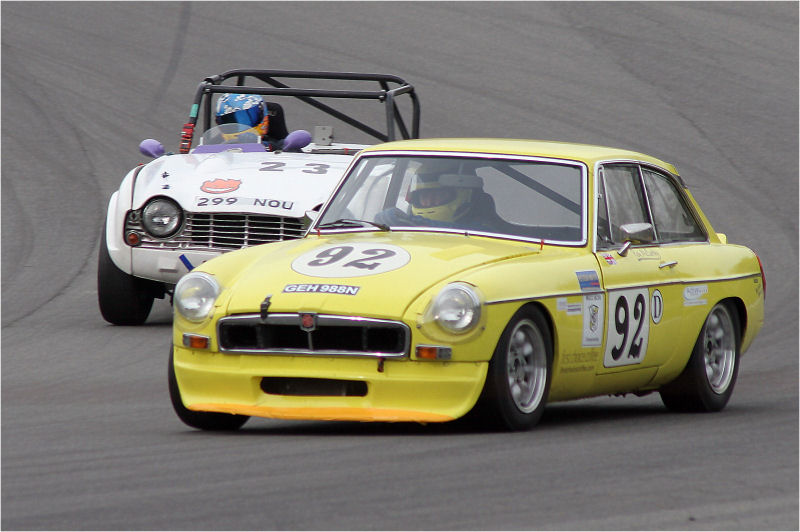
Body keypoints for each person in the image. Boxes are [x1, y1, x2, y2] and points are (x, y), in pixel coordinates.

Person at [376, 172, 499, 231]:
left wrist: (416, 223)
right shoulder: (405, 226)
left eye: (437, 195)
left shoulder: (485, 229)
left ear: (463, 195)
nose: (429, 202)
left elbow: (477, 232)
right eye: (424, 196)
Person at [214, 93, 289, 150]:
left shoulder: (278, 145)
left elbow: (291, 149)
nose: (241, 127)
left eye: (245, 119)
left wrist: (262, 145)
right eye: (229, 120)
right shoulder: (214, 143)